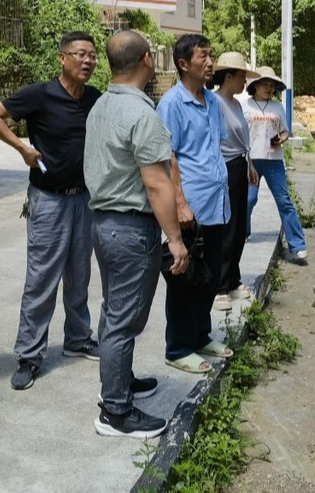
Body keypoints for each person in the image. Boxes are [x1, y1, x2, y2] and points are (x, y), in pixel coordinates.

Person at [0, 32, 101, 391]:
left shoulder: (94, 98)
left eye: (92, 56)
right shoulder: (40, 94)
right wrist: (21, 148)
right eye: (80, 54)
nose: (87, 61)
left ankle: (78, 339)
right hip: (48, 201)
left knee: (80, 274)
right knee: (42, 278)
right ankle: (30, 354)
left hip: (85, 199)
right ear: (63, 58)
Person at [84, 30, 188, 438]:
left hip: (105, 225)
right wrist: (175, 239)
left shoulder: (102, 106)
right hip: (130, 229)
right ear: (147, 59)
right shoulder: (142, 114)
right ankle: (116, 411)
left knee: (114, 310)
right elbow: (158, 184)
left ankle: (119, 382)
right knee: (123, 321)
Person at [156, 33, 233, 376]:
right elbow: (166, 156)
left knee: (210, 275)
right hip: (192, 207)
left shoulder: (213, 102)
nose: (210, 62)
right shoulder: (171, 103)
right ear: (184, 64)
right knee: (185, 279)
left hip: (217, 203)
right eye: (204, 56)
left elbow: (214, 147)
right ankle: (178, 347)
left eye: (211, 55)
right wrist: (181, 204)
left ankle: (201, 336)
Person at [241, 66, 308, 263]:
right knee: (248, 200)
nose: (269, 88)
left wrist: (282, 138)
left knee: (284, 201)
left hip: (274, 161)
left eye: (271, 85)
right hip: (251, 160)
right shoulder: (245, 106)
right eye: (265, 84)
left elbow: (285, 131)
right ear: (255, 86)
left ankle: (298, 245)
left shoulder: (278, 107)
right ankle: (244, 232)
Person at [210, 52, 260, 312]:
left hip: (240, 165)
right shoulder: (215, 102)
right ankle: (219, 286)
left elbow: (243, 142)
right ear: (228, 76)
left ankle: (232, 280)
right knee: (227, 228)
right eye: (242, 76)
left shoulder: (236, 104)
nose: (244, 81)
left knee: (240, 226)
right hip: (225, 168)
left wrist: (249, 165)